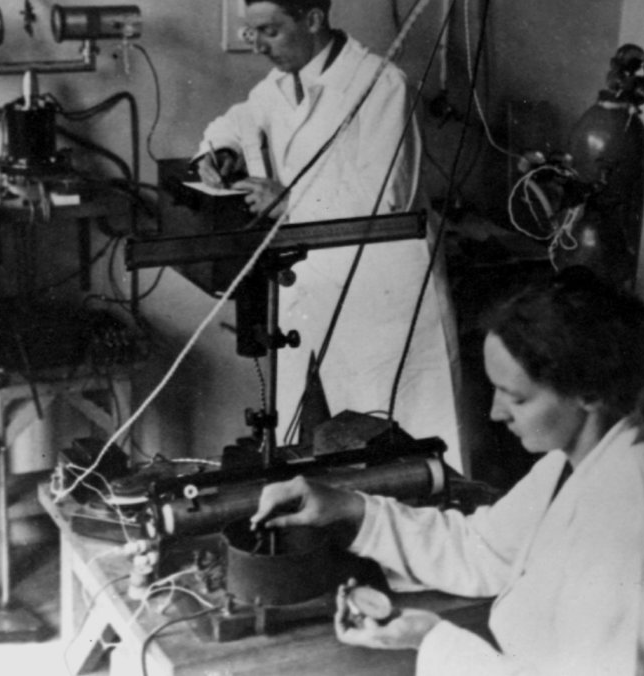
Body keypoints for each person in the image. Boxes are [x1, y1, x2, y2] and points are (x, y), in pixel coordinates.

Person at [251, 266, 644, 675]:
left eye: (515, 396)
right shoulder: (577, 461)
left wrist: (433, 641)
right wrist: (345, 506)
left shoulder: (638, 529)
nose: (494, 413)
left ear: (589, 393)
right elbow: (484, 549)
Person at [194, 0, 463, 463]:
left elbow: (387, 199)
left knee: (404, 446)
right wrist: (217, 152)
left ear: (313, 20)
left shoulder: (379, 85)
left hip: (379, 286)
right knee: (314, 440)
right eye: (251, 33)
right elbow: (235, 123)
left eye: (270, 31)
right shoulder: (280, 85)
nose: (258, 45)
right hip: (314, 280)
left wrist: (289, 201)